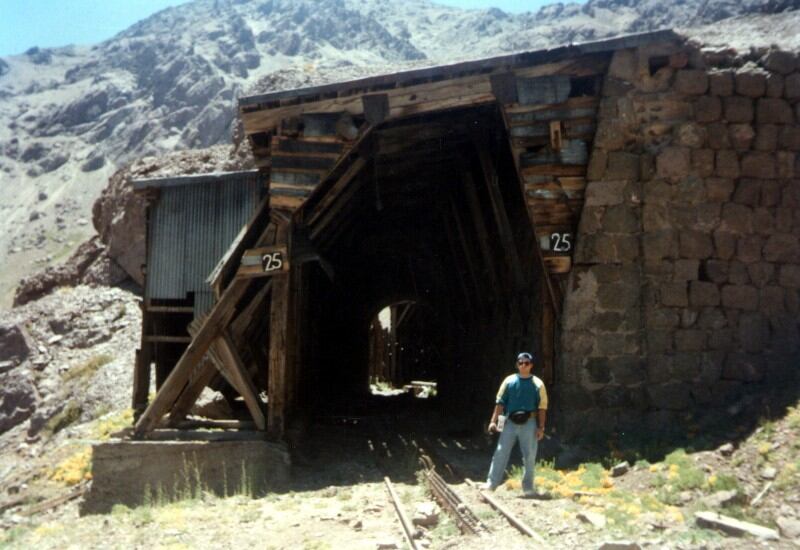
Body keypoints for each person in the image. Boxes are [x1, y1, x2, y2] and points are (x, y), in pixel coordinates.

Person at [484, 352, 548, 496]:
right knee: (500, 452)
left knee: (529, 456)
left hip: (529, 423)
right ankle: (491, 484)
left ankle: (528, 488)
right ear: (517, 364)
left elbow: (542, 407)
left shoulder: (538, 384)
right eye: (520, 363)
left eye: (526, 363)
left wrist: (541, 427)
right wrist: (493, 422)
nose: (523, 365)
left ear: (531, 365)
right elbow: (499, 402)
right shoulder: (509, 381)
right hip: (510, 422)